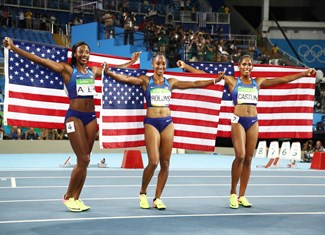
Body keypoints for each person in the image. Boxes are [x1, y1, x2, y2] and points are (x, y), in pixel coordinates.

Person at [3, 36, 141, 212]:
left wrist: (132, 61)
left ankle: (76, 198)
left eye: (87, 52)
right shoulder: (67, 69)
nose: (85, 54)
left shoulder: (93, 71)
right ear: (75, 54)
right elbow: (40, 60)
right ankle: (68, 196)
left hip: (91, 118)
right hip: (74, 117)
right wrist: (13, 48)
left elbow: (113, 69)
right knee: (83, 159)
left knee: (85, 161)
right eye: (81, 51)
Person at [177, 54, 316, 209]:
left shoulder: (258, 81)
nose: (247, 67)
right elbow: (207, 77)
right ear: (239, 66)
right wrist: (186, 66)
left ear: (252, 67)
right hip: (238, 121)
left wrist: (304, 73)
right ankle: (232, 193)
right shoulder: (232, 81)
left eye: (249, 64)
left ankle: (242, 196)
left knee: (249, 159)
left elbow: (283, 79)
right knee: (240, 156)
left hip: (253, 122)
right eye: (244, 64)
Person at [105, 53, 219, 210]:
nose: (161, 67)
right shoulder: (146, 80)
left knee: (165, 163)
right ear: (153, 64)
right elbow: (126, 79)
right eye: (158, 64)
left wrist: (214, 80)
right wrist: (109, 72)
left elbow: (194, 83)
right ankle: (143, 193)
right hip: (151, 123)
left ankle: (158, 198)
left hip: (167, 123)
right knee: (153, 161)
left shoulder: (170, 82)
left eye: (163, 64)